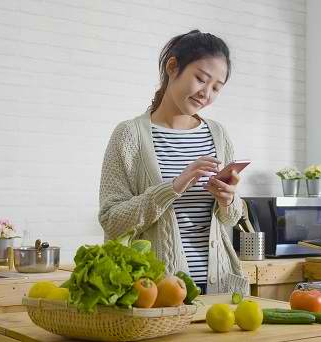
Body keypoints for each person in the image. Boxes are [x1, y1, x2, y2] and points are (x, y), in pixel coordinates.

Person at [98, 30, 248, 295]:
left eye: (216, 87)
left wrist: (228, 199)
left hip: (220, 285)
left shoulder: (218, 134)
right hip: (155, 290)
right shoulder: (129, 135)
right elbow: (111, 220)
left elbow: (232, 217)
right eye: (201, 79)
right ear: (172, 67)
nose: (206, 94)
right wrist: (173, 188)